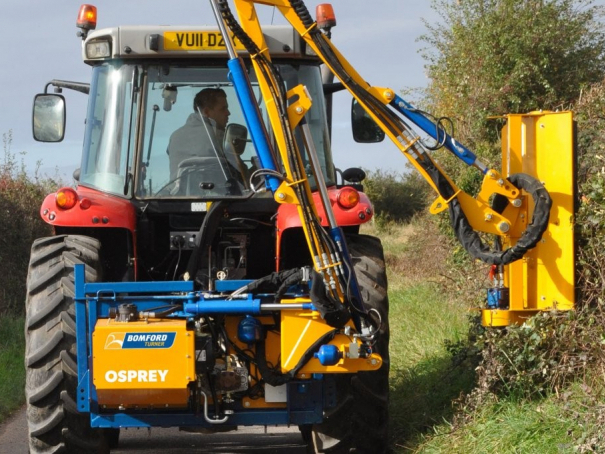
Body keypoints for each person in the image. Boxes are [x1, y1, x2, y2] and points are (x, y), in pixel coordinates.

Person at [167, 88, 232, 182]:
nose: (228, 113)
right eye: (223, 109)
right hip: (218, 194)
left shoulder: (174, 136)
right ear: (206, 112)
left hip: (176, 195)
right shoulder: (219, 136)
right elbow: (239, 176)